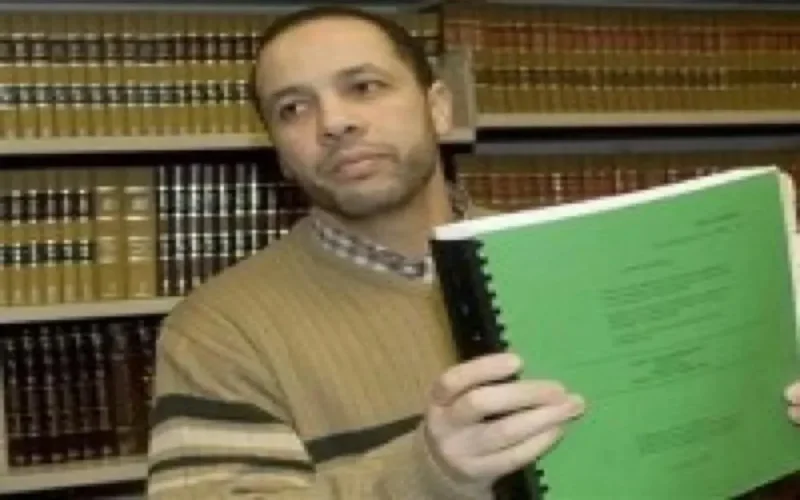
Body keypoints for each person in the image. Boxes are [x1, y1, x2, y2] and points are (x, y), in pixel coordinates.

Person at [145, 6, 800, 499]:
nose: (334, 122)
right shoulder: (219, 329)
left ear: (438, 109)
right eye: (293, 107)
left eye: (364, 87)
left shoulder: (566, 260)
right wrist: (430, 471)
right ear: (281, 155)